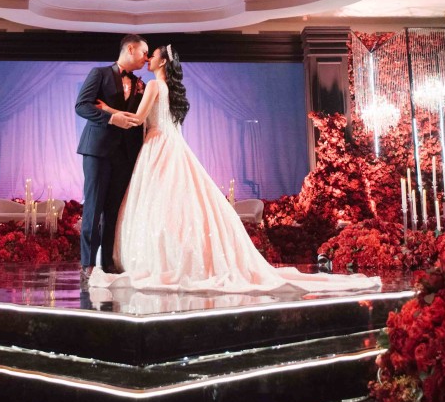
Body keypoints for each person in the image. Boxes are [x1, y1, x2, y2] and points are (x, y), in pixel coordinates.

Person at [90, 45, 380, 294]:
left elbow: (138, 119)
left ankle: (156, 257)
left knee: (156, 203)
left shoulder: (154, 86)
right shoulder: (174, 92)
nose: (148, 60)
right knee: (179, 202)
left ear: (162, 62)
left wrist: (108, 110)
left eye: (152, 55)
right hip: (174, 146)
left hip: (156, 146)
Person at [74, 34, 148, 283]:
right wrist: (110, 118)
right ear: (130, 48)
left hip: (125, 154)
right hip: (97, 150)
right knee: (93, 207)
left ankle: (107, 262)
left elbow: (139, 119)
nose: (146, 58)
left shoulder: (141, 84)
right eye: (144, 52)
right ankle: (88, 264)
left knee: (114, 211)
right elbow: (82, 105)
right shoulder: (100, 73)